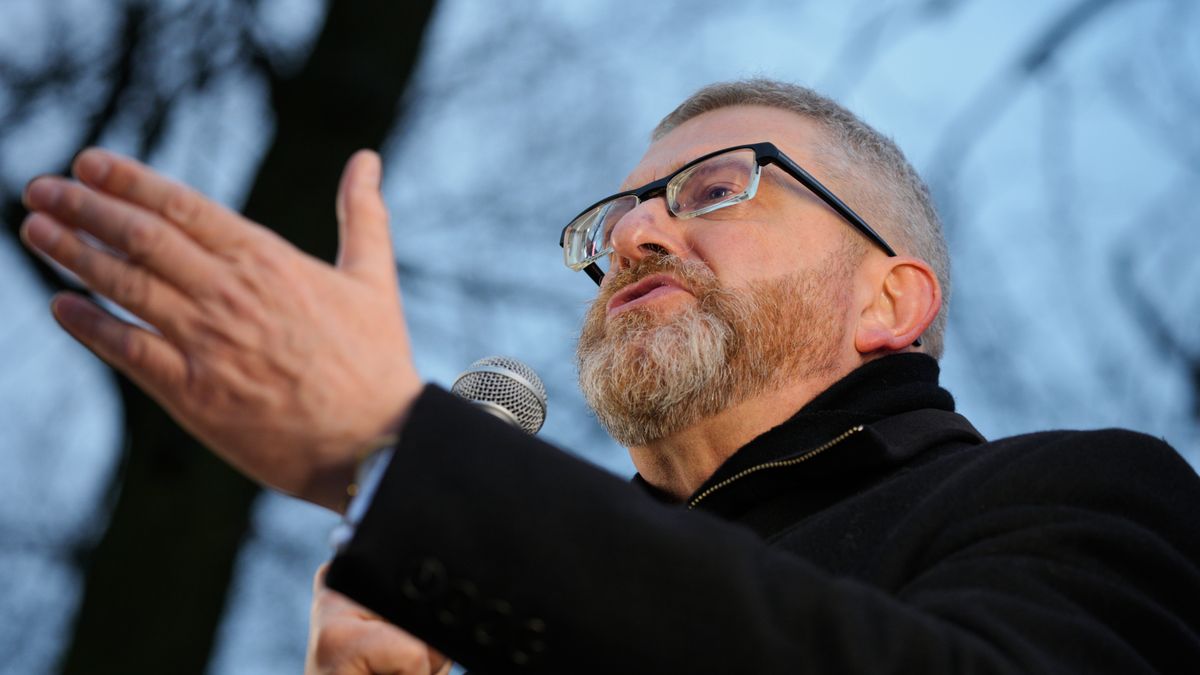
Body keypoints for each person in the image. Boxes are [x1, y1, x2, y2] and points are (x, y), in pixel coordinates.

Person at [20, 79, 1200, 674]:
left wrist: (407, 456)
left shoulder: (1087, 497)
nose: (633, 235)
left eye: (713, 188)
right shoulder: (518, 615)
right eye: (621, 216)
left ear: (888, 300)